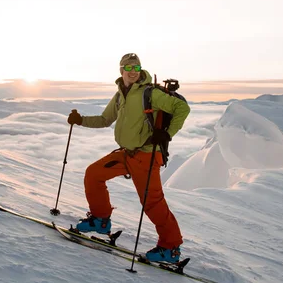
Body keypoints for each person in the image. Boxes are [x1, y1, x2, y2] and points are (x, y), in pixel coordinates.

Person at [67, 53, 191, 263]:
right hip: (126, 153)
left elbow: (182, 108)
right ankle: (100, 220)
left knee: (152, 202)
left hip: (146, 156)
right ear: (121, 70)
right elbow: (105, 119)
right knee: (94, 174)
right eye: (129, 68)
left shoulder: (149, 93)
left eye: (137, 68)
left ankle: (170, 248)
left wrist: (167, 133)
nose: (133, 72)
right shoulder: (120, 95)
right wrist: (80, 120)